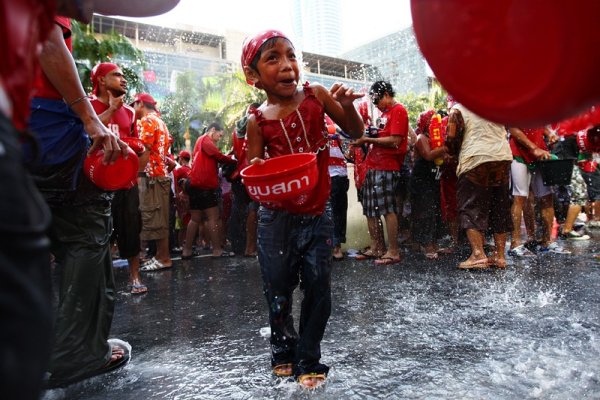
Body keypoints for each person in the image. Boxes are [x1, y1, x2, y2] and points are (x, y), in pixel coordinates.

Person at [242, 30, 364, 388]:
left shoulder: (316, 96)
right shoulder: (257, 120)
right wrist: (260, 165)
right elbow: (253, 167)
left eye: (290, 55)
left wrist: (349, 106)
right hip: (275, 218)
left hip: (317, 212)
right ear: (254, 77)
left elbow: (354, 130)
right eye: (273, 58)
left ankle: (309, 357)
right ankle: (283, 350)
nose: (286, 65)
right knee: (277, 288)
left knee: (318, 286)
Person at [90, 62, 148, 294]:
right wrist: (112, 109)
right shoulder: (88, 105)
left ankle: (135, 277)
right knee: (99, 231)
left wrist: (137, 168)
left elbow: (137, 145)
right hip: (95, 180)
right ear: (101, 80)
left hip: (126, 181)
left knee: (131, 227)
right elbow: (89, 130)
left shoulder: (131, 112)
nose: (123, 79)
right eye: (116, 75)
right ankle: (100, 282)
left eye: (123, 76)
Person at [445, 102, 513, 269]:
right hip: (502, 157)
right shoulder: (495, 106)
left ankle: (478, 255)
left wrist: (452, 153)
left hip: (475, 159)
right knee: (500, 207)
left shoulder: (458, 109)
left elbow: (451, 139)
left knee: (470, 206)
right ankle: (500, 256)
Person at [353, 80, 409, 265]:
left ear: (386, 94)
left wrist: (368, 139)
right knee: (370, 209)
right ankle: (377, 247)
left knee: (387, 209)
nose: (375, 104)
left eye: (377, 100)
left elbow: (395, 140)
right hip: (373, 166)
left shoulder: (398, 110)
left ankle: (393, 250)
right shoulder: (384, 114)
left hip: (387, 167)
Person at [507, 127, 571, 256]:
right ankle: (515, 244)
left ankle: (547, 242)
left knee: (547, 197)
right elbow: (513, 128)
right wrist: (534, 148)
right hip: (519, 153)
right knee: (520, 197)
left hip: (541, 152)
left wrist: (549, 133)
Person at [132, 93, 173, 271]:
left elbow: (144, 150)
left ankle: (163, 258)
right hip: (160, 174)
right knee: (159, 216)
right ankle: (159, 256)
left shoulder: (147, 121)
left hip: (151, 176)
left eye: (134, 105)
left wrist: (138, 176)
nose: (132, 109)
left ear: (140, 103)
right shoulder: (160, 121)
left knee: (155, 217)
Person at [183, 122, 236, 259]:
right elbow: (218, 156)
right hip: (205, 186)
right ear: (213, 130)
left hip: (194, 184)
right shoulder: (205, 140)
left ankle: (187, 251)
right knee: (213, 217)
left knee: (195, 219)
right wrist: (233, 159)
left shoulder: (199, 142)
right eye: (219, 134)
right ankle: (217, 250)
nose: (219, 138)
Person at [409, 109, 448, 259]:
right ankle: (426, 244)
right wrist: (445, 149)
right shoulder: (421, 138)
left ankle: (433, 242)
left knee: (436, 211)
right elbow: (428, 155)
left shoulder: (438, 140)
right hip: (421, 182)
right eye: (433, 121)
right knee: (425, 212)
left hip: (434, 181)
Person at [228, 103, 260, 257]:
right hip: (254, 174)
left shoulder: (237, 130)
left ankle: (238, 247)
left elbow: (235, 152)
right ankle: (251, 247)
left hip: (239, 175)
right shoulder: (258, 122)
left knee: (238, 211)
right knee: (254, 209)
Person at [327, 122, 350, 261]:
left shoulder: (334, 122)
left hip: (336, 174)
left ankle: (335, 245)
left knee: (336, 211)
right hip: (331, 174)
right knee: (336, 211)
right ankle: (334, 245)